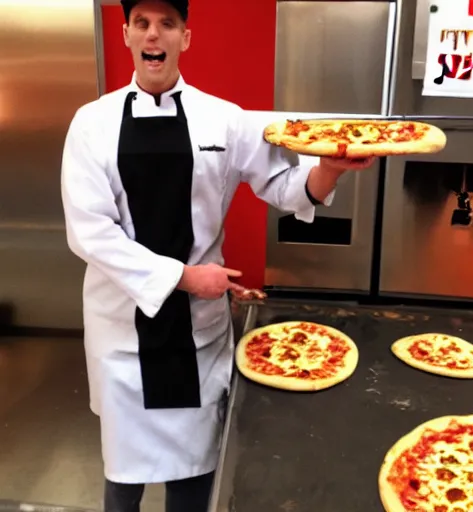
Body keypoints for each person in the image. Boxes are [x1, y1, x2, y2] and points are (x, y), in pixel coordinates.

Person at [60, 0, 375, 511]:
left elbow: (284, 184)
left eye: (167, 24)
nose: (153, 35)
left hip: (198, 332)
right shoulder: (91, 124)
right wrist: (184, 277)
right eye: (142, 24)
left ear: (186, 37)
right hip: (123, 334)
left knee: (196, 472)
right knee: (123, 474)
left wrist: (331, 171)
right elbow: (91, 233)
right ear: (125, 35)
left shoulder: (224, 119)